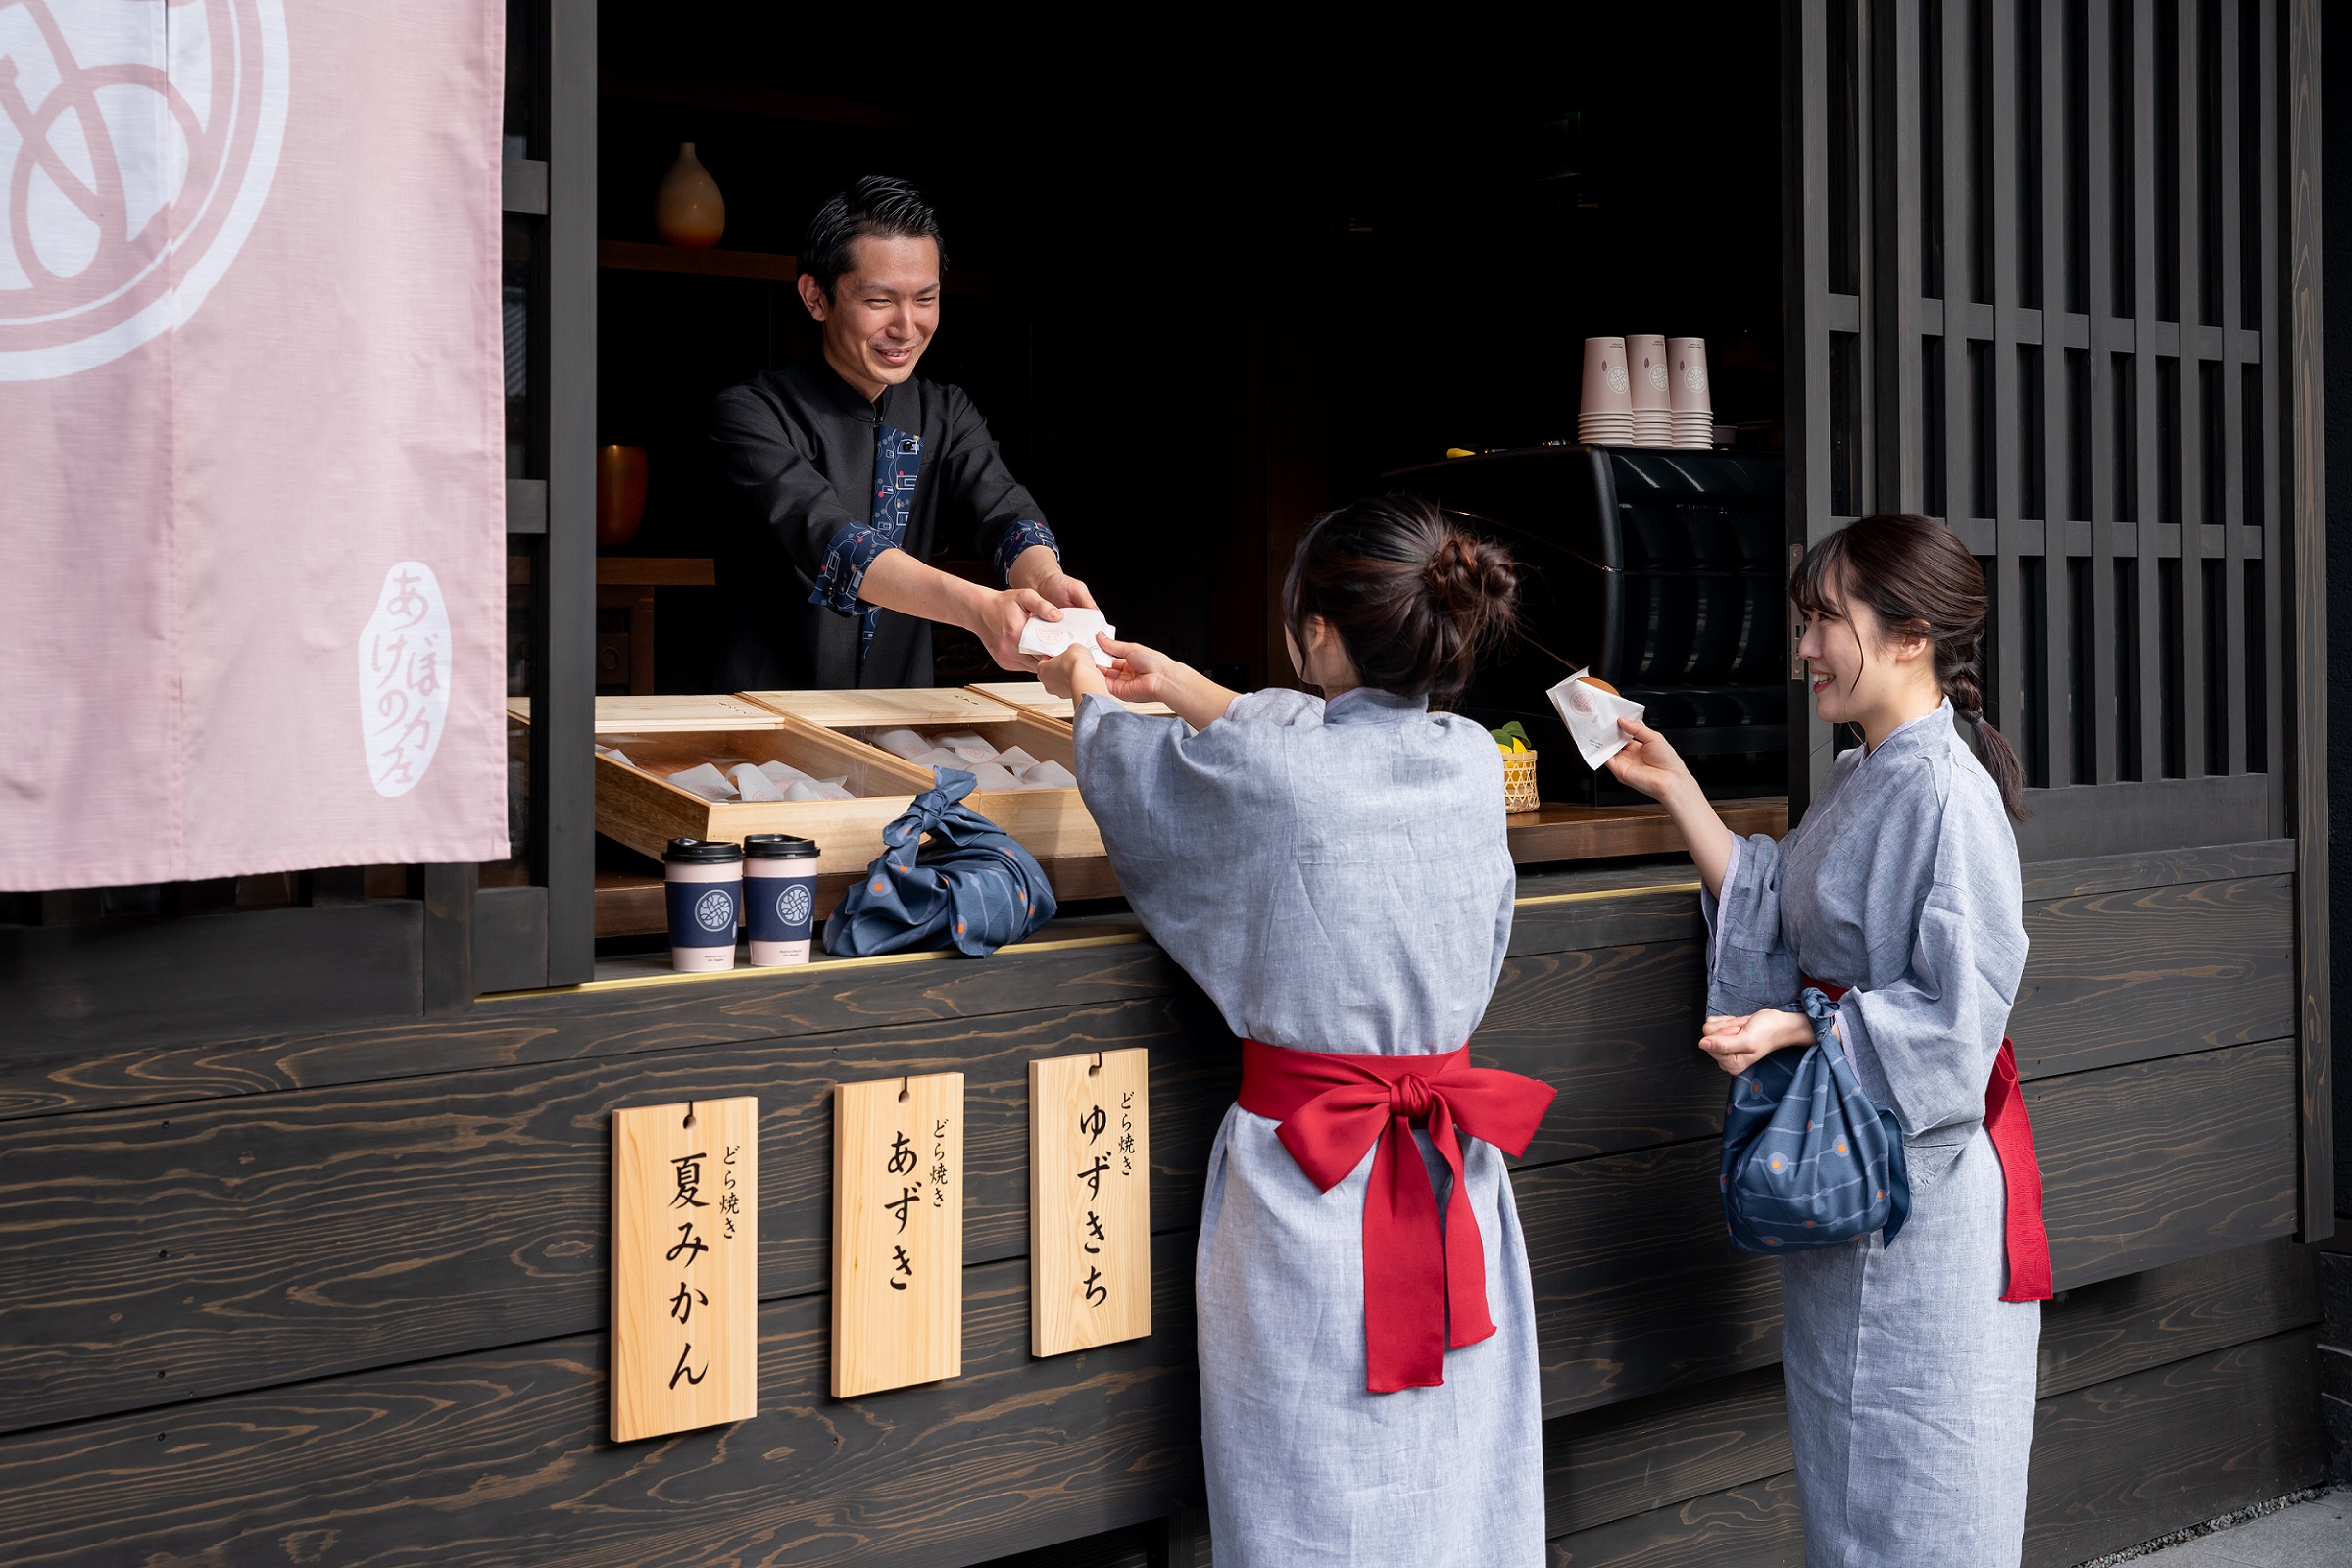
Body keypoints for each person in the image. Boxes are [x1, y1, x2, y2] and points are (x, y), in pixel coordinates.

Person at [1035, 495, 1552, 1567]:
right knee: (1452, 1478)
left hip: (1308, 1181)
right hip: (1457, 1173)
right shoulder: (1463, 760)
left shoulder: (1278, 773)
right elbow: (1319, 749)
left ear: (1316, 633)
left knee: (1306, 1485)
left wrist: (1087, 689)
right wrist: (1183, 686)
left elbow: (1163, 779)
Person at [1605, 512, 2043, 1567]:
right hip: (1859, 1184)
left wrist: (1803, 1022)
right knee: (1853, 1485)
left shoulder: (1945, 790)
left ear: (1910, 634)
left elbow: (1963, 1010)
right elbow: (1771, 899)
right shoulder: (1864, 773)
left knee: (1925, 1499)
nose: (1804, 648)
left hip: (1922, 1200)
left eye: (1824, 621)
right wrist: (1676, 787)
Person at [706, 175, 1091, 690]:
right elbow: (832, 540)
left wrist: (1046, 582)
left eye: (925, 299)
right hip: (764, 723)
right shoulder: (751, 415)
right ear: (816, 297)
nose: (907, 327)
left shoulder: (946, 413)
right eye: (880, 301)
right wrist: (979, 609)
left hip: (900, 722)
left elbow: (1006, 513)